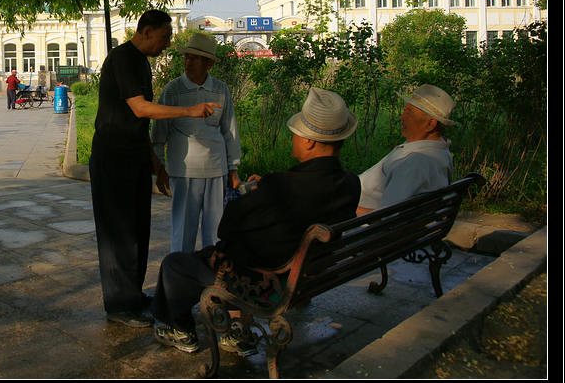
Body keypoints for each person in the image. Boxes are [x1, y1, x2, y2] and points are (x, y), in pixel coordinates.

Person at [150, 87, 361, 354]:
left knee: (176, 264)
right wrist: (266, 196)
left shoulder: (281, 186)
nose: (293, 138)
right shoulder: (351, 184)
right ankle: (234, 329)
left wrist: (260, 195)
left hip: (269, 288)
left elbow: (227, 227)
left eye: (296, 134)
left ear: (308, 142)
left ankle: (180, 330)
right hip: (307, 277)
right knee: (233, 254)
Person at [89, 9, 222, 328]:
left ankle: (133, 296)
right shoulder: (122, 59)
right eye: (164, 37)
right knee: (118, 233)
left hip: (134, 155)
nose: (166, 45)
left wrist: (155, 163)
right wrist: (190, 110)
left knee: (138, 231)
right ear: (146, 31)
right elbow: (141, 108)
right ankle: (120, 306)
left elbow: (137, 122)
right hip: (113, 157)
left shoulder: (141, 64)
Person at [151, 32, 241, 253]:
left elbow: (229, 130)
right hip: (184, 171)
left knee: (215, 234)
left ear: (208, 64)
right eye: (187, 57)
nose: (188, 62)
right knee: (183, 233)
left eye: (194, 58)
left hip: (215, 169)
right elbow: (159, 133)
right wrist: (160, 167)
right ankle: (181, 279)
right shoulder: (173, 90)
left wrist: (233, 169)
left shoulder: (220, 90)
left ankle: (211, 279)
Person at [355, 84, 455, 215]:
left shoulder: (416, 162)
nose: (402, 117)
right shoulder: (439, 152)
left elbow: (388, 218)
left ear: (430, 124)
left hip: (359, 227)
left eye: (409, 113)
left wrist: (344, 208)